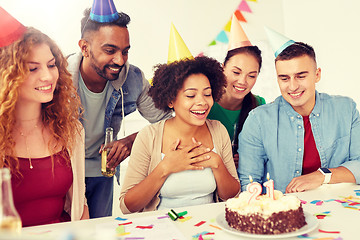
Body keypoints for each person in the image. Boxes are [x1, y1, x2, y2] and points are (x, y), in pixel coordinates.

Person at [67, 2, 171, 218]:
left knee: (97, 231)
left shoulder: (133, 79)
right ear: (84, 47)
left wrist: (131, 141)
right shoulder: (58, 77)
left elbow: (167, 121)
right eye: (110, 50)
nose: (120, 60)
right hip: (63, 173)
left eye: (125, 51)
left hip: (102, 174)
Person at [237, 28, 360, 193]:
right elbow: (249, 183)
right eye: (284, 78)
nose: (293, 86)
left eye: (301, 76)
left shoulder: (346, 109)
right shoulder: (258, 120)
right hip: (282, 214)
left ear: (317, 75)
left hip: (338, 208)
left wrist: (322, 175)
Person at [0, 8, 89, 227]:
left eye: (51, 65)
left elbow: (80, 203)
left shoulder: (71, 130)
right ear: (8, 76)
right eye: (33, 68)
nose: (48, 76)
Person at [119, 56, 240, 214]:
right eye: (191, 96)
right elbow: (127, 207)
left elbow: (232, 196)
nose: (202, 102)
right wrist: (165, 167)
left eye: (207, 94)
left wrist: (217, 163)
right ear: (170, 100)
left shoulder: (218, 130)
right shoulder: (149, 136)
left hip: (208, 229)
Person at [207, 15, 265, 168]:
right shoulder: (204, 104)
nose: (243, 82)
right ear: (222, 67)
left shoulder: (259, 105)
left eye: (251, 75)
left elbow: (265, 151)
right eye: (236, 72)